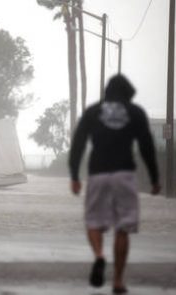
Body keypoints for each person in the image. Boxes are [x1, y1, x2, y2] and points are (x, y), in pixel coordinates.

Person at [68, 74, 161, 294]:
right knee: (123, 227)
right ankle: (118, 280)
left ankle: (99, 256)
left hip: (98, 173)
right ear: (128, 92)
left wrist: (74, 175)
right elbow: (147, 146)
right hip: (124, 173)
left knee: (93, 221)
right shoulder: (135, 112)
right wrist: (155, 178)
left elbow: (78, 143)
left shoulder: (93, 111)